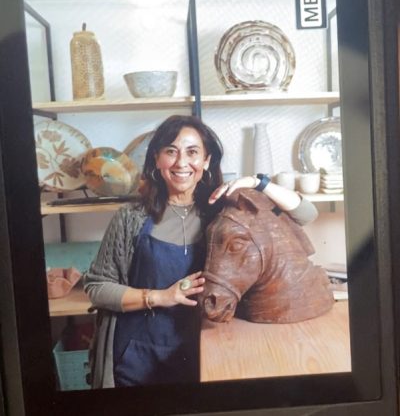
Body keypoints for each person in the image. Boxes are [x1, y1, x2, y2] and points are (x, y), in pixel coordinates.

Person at [83, 114, 318, 388]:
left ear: (206, 161)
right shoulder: (130, 217)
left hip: (205, 348)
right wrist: (160, 296)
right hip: (137, 353)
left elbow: (306, 213)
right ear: (157, 159)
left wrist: (256, 183)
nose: (181, 162)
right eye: (171, 151)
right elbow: (97, 287)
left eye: (192, 152)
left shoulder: (226, 213)